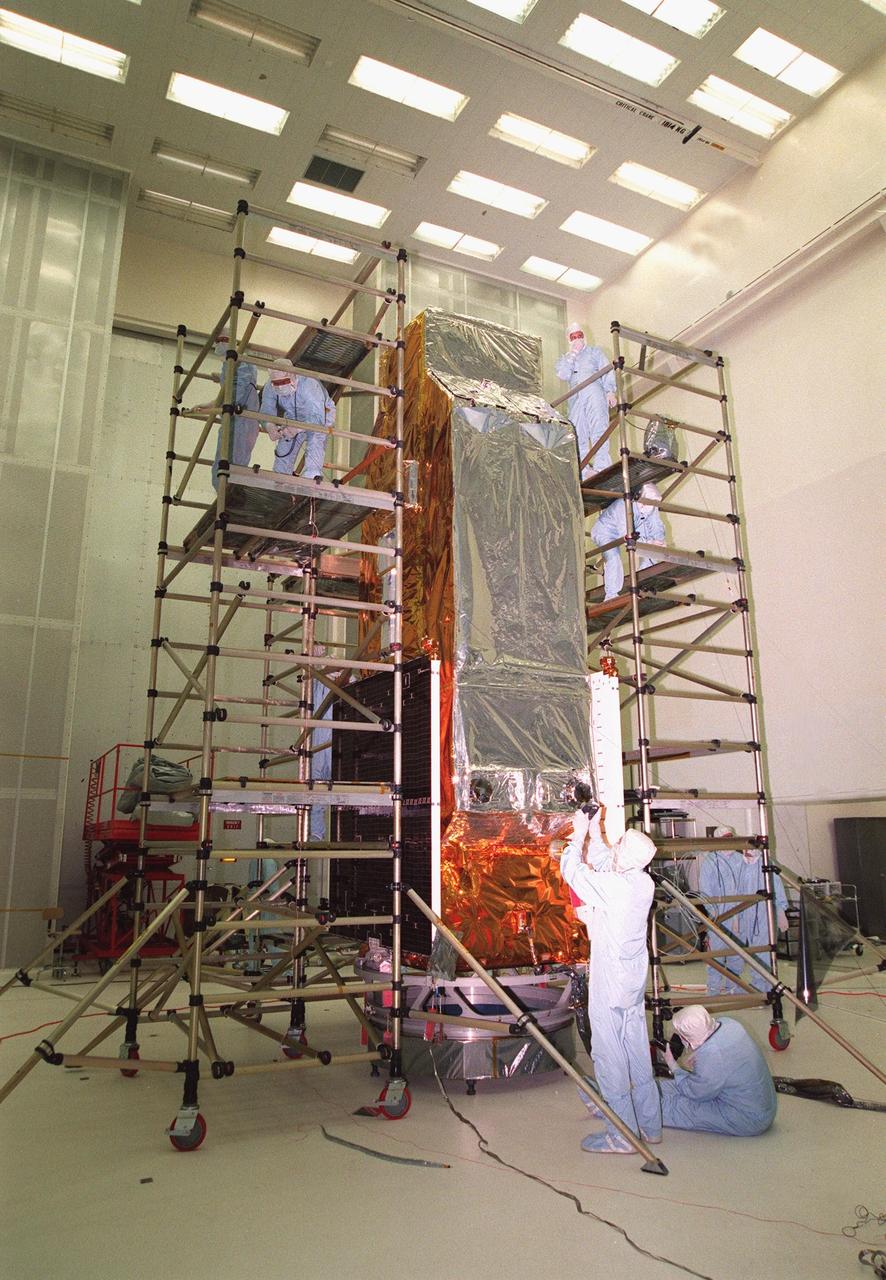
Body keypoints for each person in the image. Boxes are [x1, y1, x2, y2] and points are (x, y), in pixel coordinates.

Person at [556, 808, 662, 1154]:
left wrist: (576, 834)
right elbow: (608, 860)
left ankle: (621, 1136)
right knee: (636, 1053)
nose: (614, 850)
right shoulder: (642, 882)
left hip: (611, 985)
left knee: (609, 1057)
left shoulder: (616, 888)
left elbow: (572, 871)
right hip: (631, 985)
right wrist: (595, 831)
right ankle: (650, 1127)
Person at [658, 1005, 777, 1136]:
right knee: (659, 1088)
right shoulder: (729, 1023)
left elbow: (695, 1093)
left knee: (674, 1108)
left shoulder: (712, 1055)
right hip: (761, 1105)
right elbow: (721, 1052)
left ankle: (637, 1109)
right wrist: (699, 1055)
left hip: (748, 1118)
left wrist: (673, 1066)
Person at [699, 828, 789, 994]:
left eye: (732, 839)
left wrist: (780, 909)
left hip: (743, 916)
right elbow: (704, 892)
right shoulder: (710, 861)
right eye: (726, 839)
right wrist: (715, 913)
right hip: (720, 916)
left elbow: (770, 884)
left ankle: (735, 986)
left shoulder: (743, 860)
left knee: (738, 955)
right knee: (717, 955)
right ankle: (713, 990)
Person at [554, 322, 617, 478]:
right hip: (575, 397)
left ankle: (602, 467)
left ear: (584, 336)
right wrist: (572, 355)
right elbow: (563, 374)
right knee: (577, 434)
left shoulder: (595, 352)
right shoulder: (566, 359)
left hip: (594, 391)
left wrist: (610, 391)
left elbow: (606, 369)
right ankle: (583, 470)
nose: (577, 339)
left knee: (599, 428)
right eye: (573, 337)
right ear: (569, 339)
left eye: (579, 336)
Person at [198, 335, 260, 489]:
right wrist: (208, 406)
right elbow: (230, 396)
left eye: (223, 339)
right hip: (237, 422)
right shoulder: (232, 365)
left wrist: (213, 406)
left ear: (234, 341)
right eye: (217, 340)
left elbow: (234, 399)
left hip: (239, 423)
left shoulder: (239, 363)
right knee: (226, 465)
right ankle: (228, 496)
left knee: (228, 467)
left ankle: (229, 498)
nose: (219, 343)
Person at [260, 357, 335, 479]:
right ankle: (280, 479)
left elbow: (317, 417)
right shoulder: (270, 386)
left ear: (292, 375)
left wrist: (298, 428)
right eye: (276, 384)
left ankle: (311, 477)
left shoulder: (308, 384)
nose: (279, 387)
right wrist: (269, 426)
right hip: (292, 417)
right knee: (284, 447)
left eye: (283, 382)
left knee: (316, 439)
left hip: (322, 415)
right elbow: (266, 410)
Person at [590, 483, 667, 600]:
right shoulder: (623, 506)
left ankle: (643, 584)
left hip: (631, 528)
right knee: (613, 557)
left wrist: (658, 541)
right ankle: (611, 596)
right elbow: (626, 534)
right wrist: (648, 543)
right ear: (641, 500)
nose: (652, 507)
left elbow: (656, 524)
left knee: (652, 550)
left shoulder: (650, 504)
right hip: (604, 531)